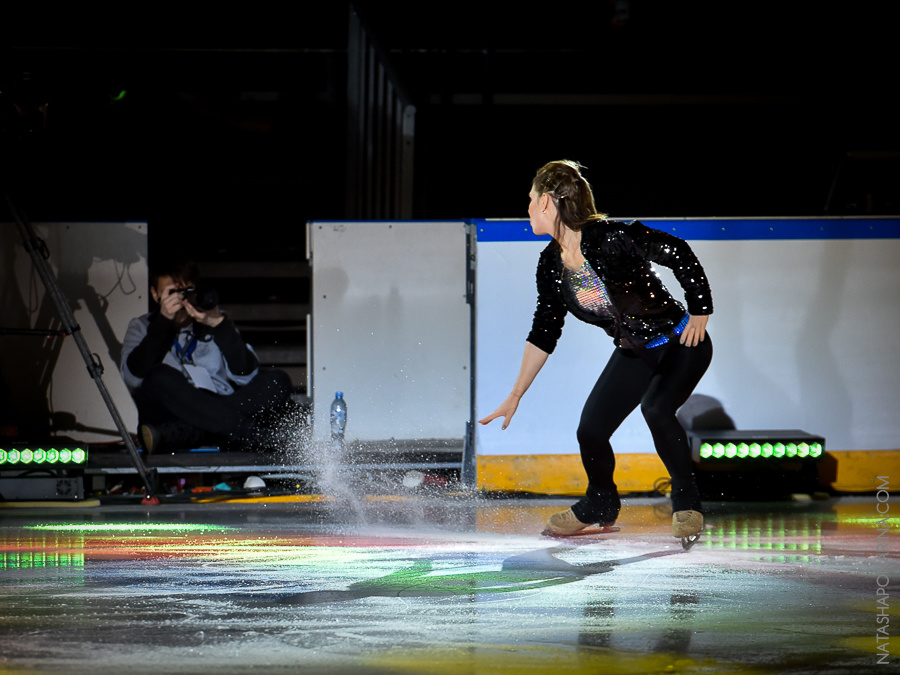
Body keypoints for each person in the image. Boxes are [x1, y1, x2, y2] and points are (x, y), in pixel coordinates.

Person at [479, 160, 713, 541]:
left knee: (656, 407)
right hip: (635, 351)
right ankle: (600, 503)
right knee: (591, 429)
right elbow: (545, 329)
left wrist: (701, 308)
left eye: (530, 198)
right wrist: (515, 394)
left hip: (680, 342)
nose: (527, 207)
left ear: (546, 203)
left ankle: (687, 503)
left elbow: (677, 251)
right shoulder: (550, 264)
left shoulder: (610, 237)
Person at [121, 255, 292, 453]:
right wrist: (163, 321)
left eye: (185, 292)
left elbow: (248, 377)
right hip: (170, 412)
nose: (179, 300)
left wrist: (219, 325)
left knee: (277, 380)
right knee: (158, 376)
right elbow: (133, 378)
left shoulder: (212, 321)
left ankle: (184, 434)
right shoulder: (141, 326)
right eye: (171, 293)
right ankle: (253, 435)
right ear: (155, 294)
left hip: (214, 406)